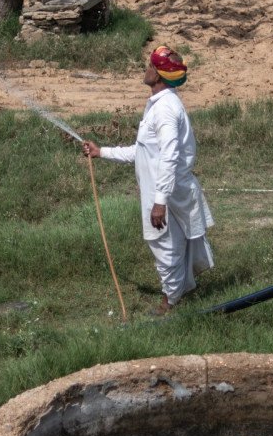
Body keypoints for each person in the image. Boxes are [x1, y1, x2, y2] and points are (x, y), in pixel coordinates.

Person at [82, 45, 214, 315]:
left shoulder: (165, 109)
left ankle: (170, 303)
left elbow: (169, 155)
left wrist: (159, 202)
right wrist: (101, 152)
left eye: (151, 66)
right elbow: (143, 150)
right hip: (167, 190)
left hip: (165, 191)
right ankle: (179, 291)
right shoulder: (159, 104)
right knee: (172, 244)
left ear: (160, 74)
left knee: (164, 245)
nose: (147, 69)